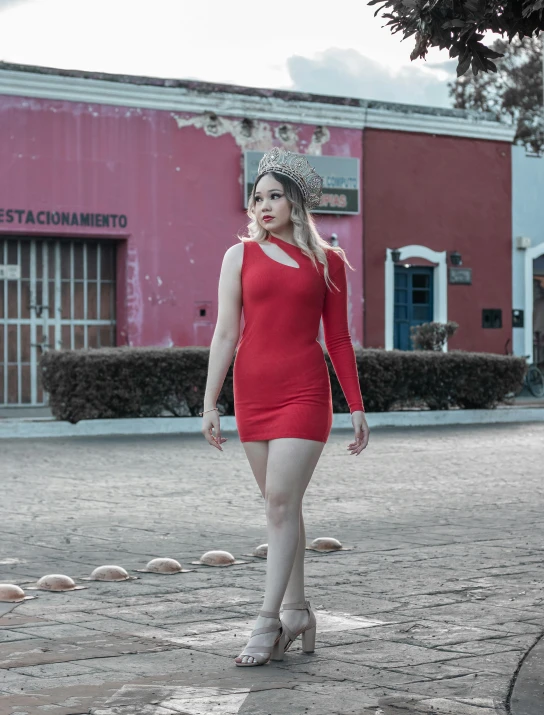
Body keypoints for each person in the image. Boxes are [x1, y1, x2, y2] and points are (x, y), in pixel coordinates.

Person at [200, 147, 369, 667]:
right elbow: (226, 331)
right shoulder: (238, 257)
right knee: (284, 509)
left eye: (274, 196)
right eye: (257, 198)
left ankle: (266, 622)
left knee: (277, 503)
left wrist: (357, 406)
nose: (263, 206)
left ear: (295, 202)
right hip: (253, 395)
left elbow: (338, 339)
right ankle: (298, 611)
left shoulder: (328, 261)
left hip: (305, 392)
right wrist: (210, 401)